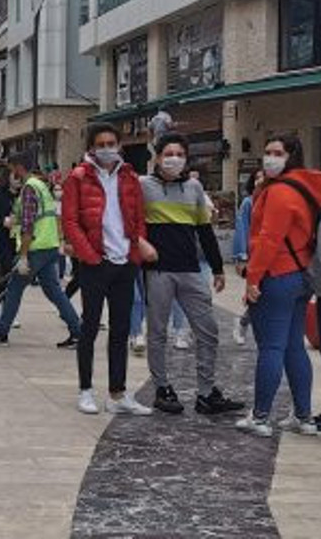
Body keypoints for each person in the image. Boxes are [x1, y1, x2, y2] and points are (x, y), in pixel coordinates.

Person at [141, 133, 243, 416]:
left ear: (186, 158)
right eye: (168, 153)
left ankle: (207, 393)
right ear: (157, 157)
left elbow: (204, 230)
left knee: (208, 331)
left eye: (179, 153)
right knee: (158, 333)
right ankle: (162, 389)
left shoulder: (194, 187)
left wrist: (219, 268)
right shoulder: (142, 186)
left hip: (190, 270)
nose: (173, 158)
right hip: (157, 271)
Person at [63, 123, 155, 416]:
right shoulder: (78, 177)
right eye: (100, 143)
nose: (106, 148)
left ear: (119, 145)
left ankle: (118, 393)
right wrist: (89, 256)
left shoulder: (128, 176)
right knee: (89, 328)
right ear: (91, 147)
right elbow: (70, 222)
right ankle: (86, 390)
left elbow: (138, 217)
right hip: (95, 264)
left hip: (124, 263)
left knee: (121, 330)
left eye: (111, 143)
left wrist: (135, 251)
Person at [237, 135, 321, 437]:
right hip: (301, 276)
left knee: (271, 347)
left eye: (277, 153)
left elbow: (268, 239)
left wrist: (252, 280)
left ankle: (259, 417)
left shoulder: (279, 192)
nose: (270, 157)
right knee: (293, 347)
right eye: (267, 151)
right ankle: (303, 416)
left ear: (291, 156)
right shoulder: (307, 186)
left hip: (277, 275)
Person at [0, 152, 82, 349]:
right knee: (54, 291)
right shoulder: (41, 185)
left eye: (12, 168)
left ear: (19, 167)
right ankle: (77, 331)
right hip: (49, 246)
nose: (11, 173)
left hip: (35, 248)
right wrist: (13, 220)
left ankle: (1, 333)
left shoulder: (29, 189)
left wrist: (23, 256)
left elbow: (28, 226)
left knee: (14, 289)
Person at [231, 169, 266, 346]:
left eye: (263, 177)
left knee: (266, 295)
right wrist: (241, 256)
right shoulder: (248, 202)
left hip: (273, 257)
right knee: (256, 294)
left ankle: (245, 322)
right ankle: (243, 322)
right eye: (257, 177)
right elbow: (242, 228)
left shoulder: (275, 199)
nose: (260, 180)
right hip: (254, 256)